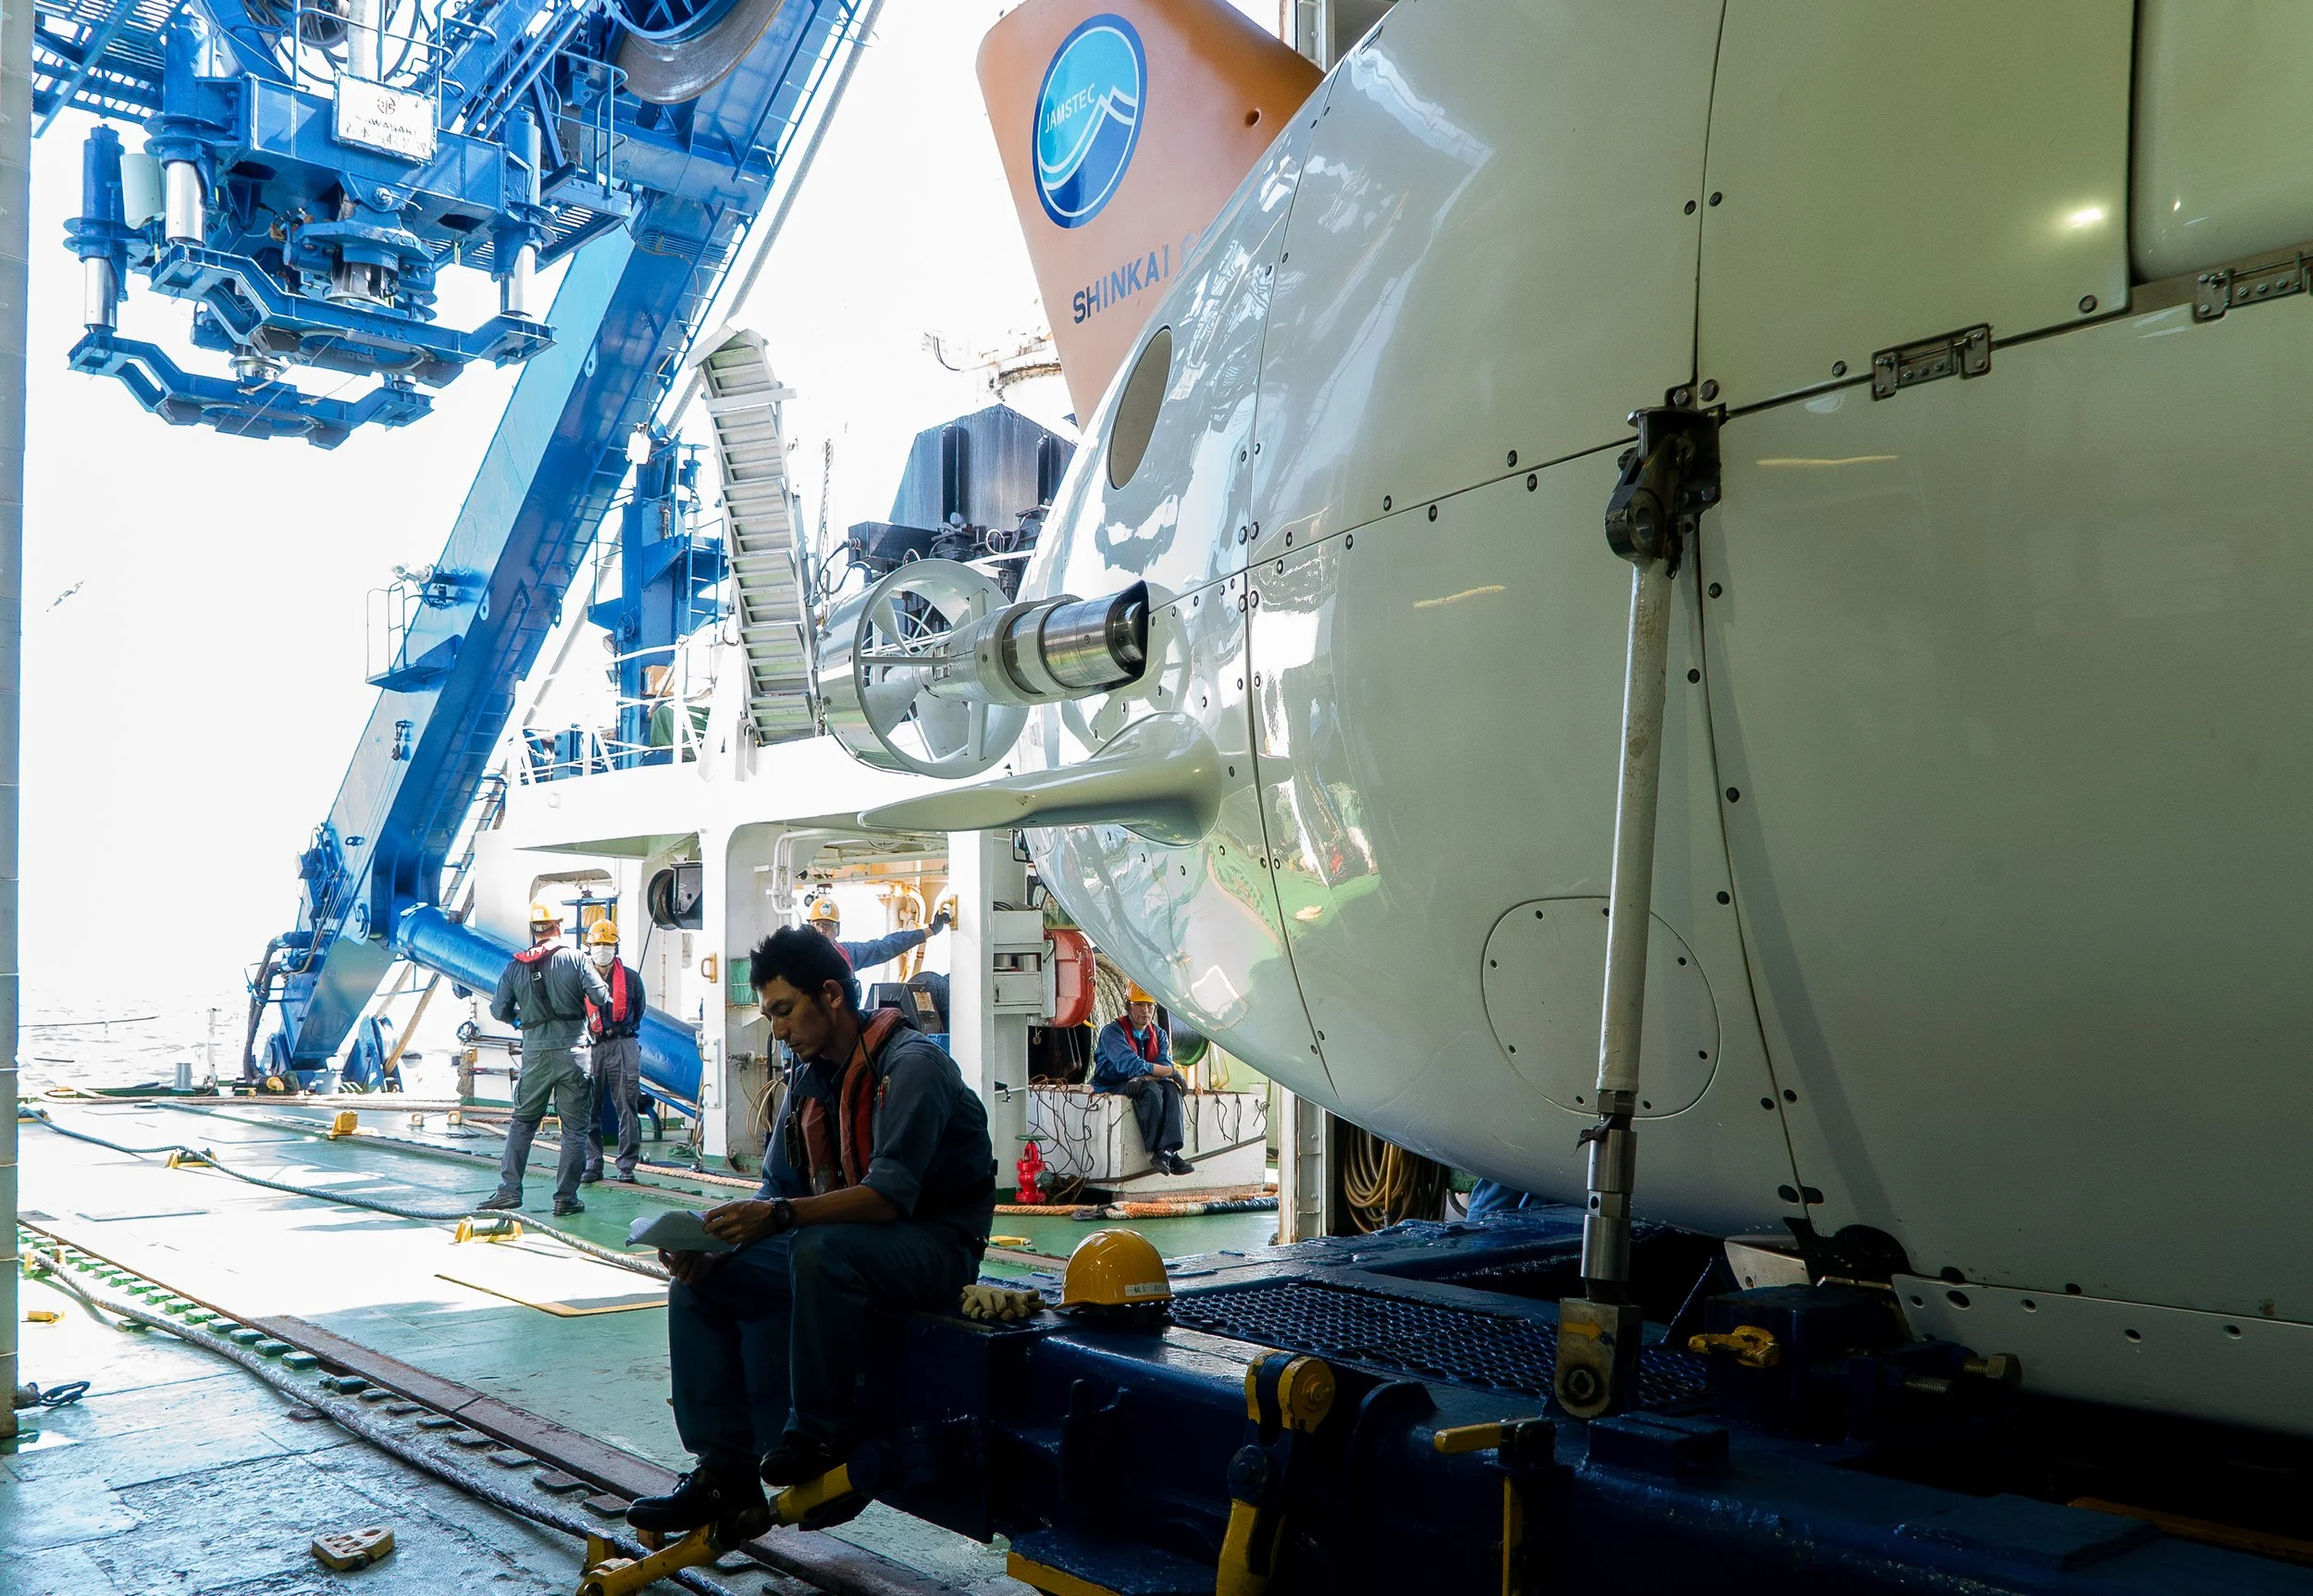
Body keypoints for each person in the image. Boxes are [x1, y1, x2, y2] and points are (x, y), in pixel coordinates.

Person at [625, 926, 996, 1536]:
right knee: (702, 1283)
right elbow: (777, 1189)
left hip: (935, 1245)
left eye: (784, 1010)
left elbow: (889, 1196)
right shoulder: (809, 1080)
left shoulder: (912, 1067)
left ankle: (823, 1439)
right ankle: (725, 1473)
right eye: (769, 1013)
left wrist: (777, 1217)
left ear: (829, 994)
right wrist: (715, 1244)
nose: (776, 1028)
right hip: (849, 1247)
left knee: (820, 1249)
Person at [480, 901, 610, 1217]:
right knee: (575, 1131)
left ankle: (509, 1191)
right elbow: (601, 997)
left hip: (536, 1055)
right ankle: (566, 1197)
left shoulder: (514, 967)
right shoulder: (576, 958)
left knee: (523, 1123)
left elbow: (498, 1011)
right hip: (574, 1054)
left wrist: (519, 1020)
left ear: (533, 929)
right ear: (559, 926)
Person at [1093, 984, 1195, 1177]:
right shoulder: (1112, 1032)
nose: (1145, 1010)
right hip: (1114, 1083)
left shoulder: (1159, 1034)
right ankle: (1163, 1152)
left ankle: (1167, 1152)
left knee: (1172, 1090)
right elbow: (1128, 1065)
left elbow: (1164, 1064)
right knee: (1151, 1091)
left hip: (1143, 1080)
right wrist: (1168, 1072)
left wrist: (1159, 1074)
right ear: (1128, 1006)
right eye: (1139, 1005)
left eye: (1149, 1006)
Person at [580, 917, 647, 1185]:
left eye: (607, 944)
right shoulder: (581, 977)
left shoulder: (631, 979)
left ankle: (627, 1165)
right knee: (588, 1106)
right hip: (592, 1046)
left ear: (615, 947)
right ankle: (592, 1163)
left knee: (627, 1105)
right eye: (598, 944)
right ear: (589, 947)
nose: (602, 948)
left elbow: (639, 1010)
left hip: (623, 1043)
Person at [807, 896, 952, 977]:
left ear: (837, 930)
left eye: (827, 925)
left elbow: (885, 946)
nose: (821, 930)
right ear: (808, 927)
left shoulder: (848, 953)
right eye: (817, 925)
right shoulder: (797, 959)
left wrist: (931, 931)